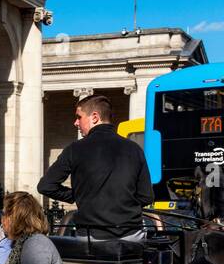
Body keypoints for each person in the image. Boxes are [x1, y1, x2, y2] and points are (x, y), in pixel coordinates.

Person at [38, 93, 155, 240]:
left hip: (91, 237)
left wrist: (76, 195)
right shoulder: (134, 148)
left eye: (79, 117)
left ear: (94, 117)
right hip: (130, 236)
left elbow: (45, 186)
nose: (75, 123)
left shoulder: (75, 149)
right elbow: (146, 196)